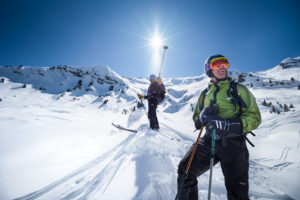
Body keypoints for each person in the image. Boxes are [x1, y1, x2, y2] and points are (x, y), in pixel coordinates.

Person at [177, 54, 261, 200]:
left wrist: (229, 125)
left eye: (225, 64)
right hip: (209, 140)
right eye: (218, 64)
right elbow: (196, 120)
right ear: (208, 69)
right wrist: (201, 117)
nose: (223, 67)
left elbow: (255, 117)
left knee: (237, 193)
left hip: (234, 144)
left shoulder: (238, 89)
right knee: (186, 171)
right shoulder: (204, 94)